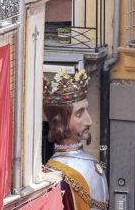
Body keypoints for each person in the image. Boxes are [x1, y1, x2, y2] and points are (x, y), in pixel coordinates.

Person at [44, 69, 108, 210]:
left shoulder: (90, 161)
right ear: (60, 122)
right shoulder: (56, 176)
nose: (89, 121)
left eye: (86, 110)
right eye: (79, 114)